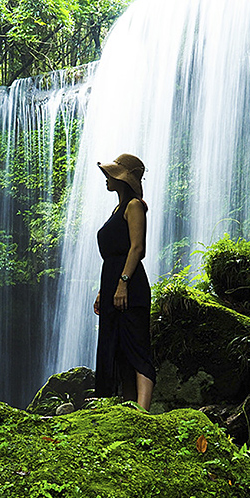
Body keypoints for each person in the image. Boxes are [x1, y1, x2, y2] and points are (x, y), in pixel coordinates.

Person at [93, 153, 156, 410]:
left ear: (124, 180)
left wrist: (122, 283)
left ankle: (142, 410)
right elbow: (112, 255)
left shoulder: (134, 206)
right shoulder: (117, 209)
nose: (107, 179)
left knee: (137, 345)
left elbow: (137, 248)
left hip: (130, 285)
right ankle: (126, 408)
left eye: (112, 175)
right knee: (117, 347)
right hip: (112, 283)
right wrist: (103, 291)